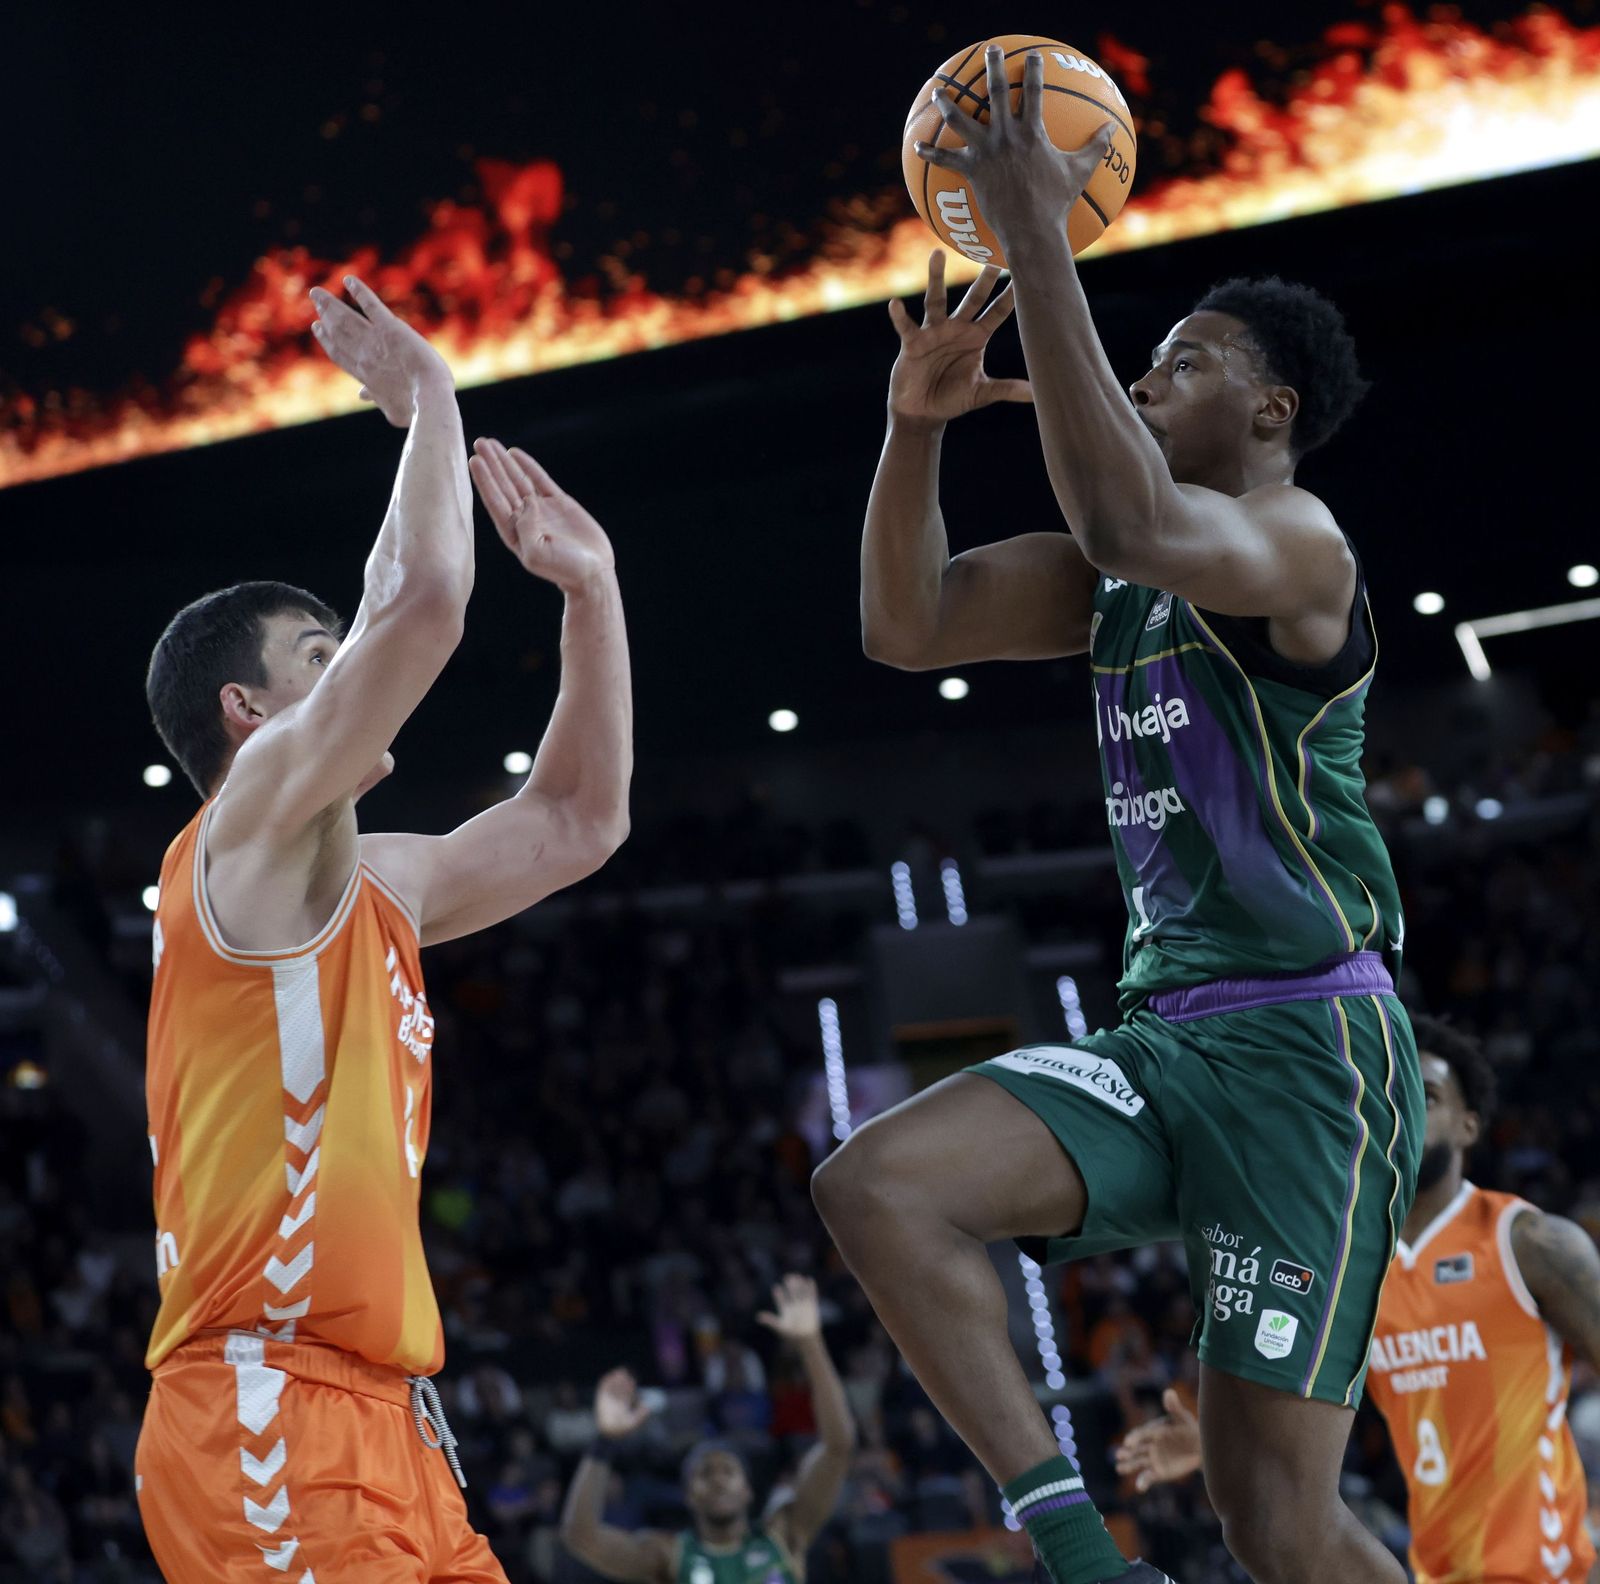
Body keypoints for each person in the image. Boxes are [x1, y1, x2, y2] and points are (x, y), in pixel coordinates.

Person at [812, 47, 1422, 1584]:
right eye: (1147, 355)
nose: (1151, 374)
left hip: (1307, 1055)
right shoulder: (1117, 581)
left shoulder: (1301, 543)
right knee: (876, 1183)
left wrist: (1035, 236)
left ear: (1271, 413)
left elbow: (1126, 510)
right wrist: (917, 427)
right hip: (1168, 1044)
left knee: (1276, 1518)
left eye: (1188, 362)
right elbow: (908, 622)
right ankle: (1084, 1558)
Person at [134, 276, 633, 1582]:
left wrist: (593, 595)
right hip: (264, 1413)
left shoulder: (380, 883)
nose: (349, 663)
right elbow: (419, 607)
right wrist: (426, 399)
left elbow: (579, 820)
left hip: (396, 1428)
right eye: (319, 653)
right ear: (249, 712)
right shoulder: (239, 846)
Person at [1117, 1014, 1600, 1584]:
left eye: (1430, 1095)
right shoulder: (1351, 1268)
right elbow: (1313, 1417)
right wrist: (1208, 1442)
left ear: (1469, 1127)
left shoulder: (1531, 1243)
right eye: (1395, 1093)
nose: (1408, 1109)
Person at [560, 1275, 856, 1582]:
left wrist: (811, 1344)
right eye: (704, 1473)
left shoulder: (784, 1535)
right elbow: (580, 1536)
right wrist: (604, 1440)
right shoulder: (670, 1554)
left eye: (728, 1471)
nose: (717, 1479)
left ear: (747, 1491)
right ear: (689, 1495)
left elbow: (838, 1446)